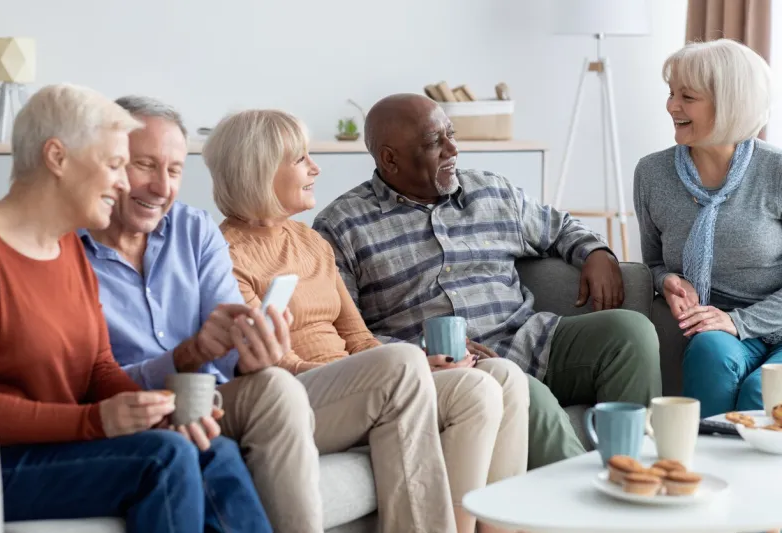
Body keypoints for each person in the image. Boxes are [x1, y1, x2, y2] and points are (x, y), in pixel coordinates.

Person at [83, 95, 456, 533]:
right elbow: (92, 377)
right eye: (145, 165)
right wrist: (198, 356)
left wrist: (249, 352)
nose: (163, 187)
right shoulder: (70, 252)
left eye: (175, 170)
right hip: (139, 401)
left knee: (281, 380)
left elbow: (236, 352)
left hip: (216, 397)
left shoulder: (194, 230)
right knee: (298, 382)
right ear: (105, 164)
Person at [206, 109, 527, 533]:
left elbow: (356, 336)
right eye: (301, 159)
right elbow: (275, 368)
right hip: (296, 395)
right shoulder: (225, 254)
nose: (315, 168)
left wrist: (418, 373)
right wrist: (395, 370)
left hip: (361, 385)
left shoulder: (311, 242)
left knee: (501, 377)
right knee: (403, 362)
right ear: (260, 170)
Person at [313, 93, 662, 468]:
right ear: (389, 158)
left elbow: (559, 227)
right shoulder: (341, 227)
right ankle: (586, 515)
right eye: (434, 142)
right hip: (454, 372)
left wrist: (596, 252)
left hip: (530, 340)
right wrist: (421, 357)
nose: (453, 149)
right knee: (527, 396)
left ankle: (634, 477)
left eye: (451, 134)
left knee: (630, 332)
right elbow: (340, 332)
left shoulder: (491, 191)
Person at [0, 84, 270, 532]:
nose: (122, 183)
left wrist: (162, 408)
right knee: (165, 454)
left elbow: (98, 366)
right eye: (116, 164)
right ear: (57, 158)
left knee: (210, 447)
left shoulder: (67, 250)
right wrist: (94, 421)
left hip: (55, 445)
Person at [634, 39, 781, 418]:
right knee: (708, 352)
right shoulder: (651, 174)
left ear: (730, 101)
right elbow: (651, 261)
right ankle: (697, 471)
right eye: (670, 94)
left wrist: (739, 322)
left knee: (761, 393)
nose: (671, 106)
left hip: (770, 320)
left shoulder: (776, 171)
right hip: (716, 327)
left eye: (687, 96)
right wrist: (666, 280)